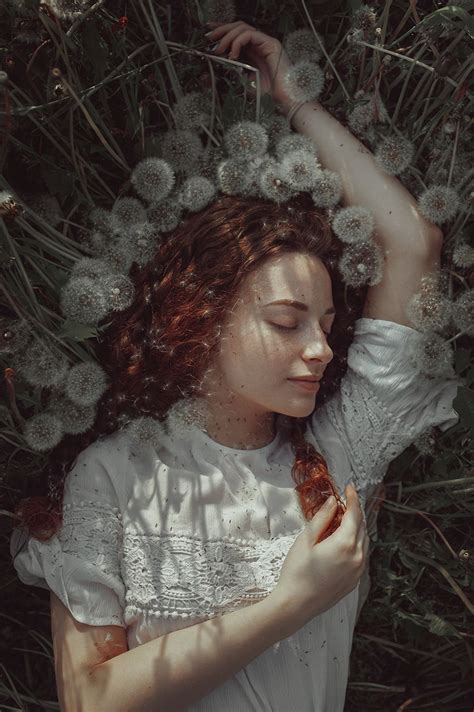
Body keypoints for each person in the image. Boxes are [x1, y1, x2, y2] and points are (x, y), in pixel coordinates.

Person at [9, 21, 461, 712]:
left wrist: (294, 99)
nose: (320, 347)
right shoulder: (113, 475)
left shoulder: (342, 454)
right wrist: (289, 604)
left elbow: (412, 240)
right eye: (287, 321)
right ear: (202, 319)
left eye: (328, 326)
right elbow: (88, 699)